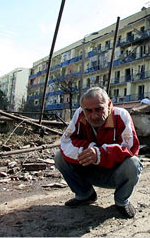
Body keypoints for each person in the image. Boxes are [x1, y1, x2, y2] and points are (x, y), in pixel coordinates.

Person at [54, 87, 142, 218]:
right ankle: (85, 194)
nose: (94, 116)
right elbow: (66, 141)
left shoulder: (121, 115)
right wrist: (88, 150)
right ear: (83, 108)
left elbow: (130, 148)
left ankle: (121, 201)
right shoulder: (79, 114)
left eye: (99, 109)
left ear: (109, 104)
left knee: (133, 164)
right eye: (88, 110)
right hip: (90, 170)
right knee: (59, 157)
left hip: (114, 174)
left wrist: (101, 153)